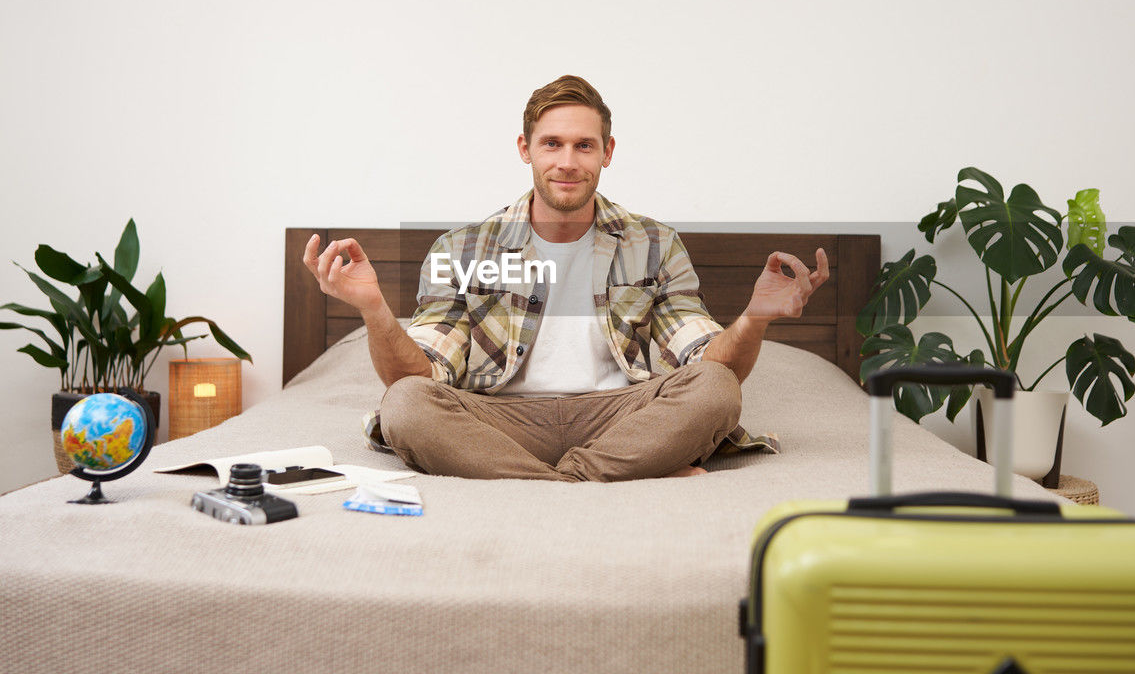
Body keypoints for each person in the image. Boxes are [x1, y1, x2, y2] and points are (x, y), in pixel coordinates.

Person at [303, 75, 829, 482]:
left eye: (584, 145)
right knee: (405, 405)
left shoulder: (654, 244)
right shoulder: (460, 248)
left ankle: (550, 479)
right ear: (525, 149)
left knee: (716, 389)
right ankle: (602, 476)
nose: (567, 162)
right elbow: (420, 373)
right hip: (497, 420)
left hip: (620, 418)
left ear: (608, 152)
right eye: (552, 144)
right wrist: (373, 309)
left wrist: (755, 319)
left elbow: (703, 364)